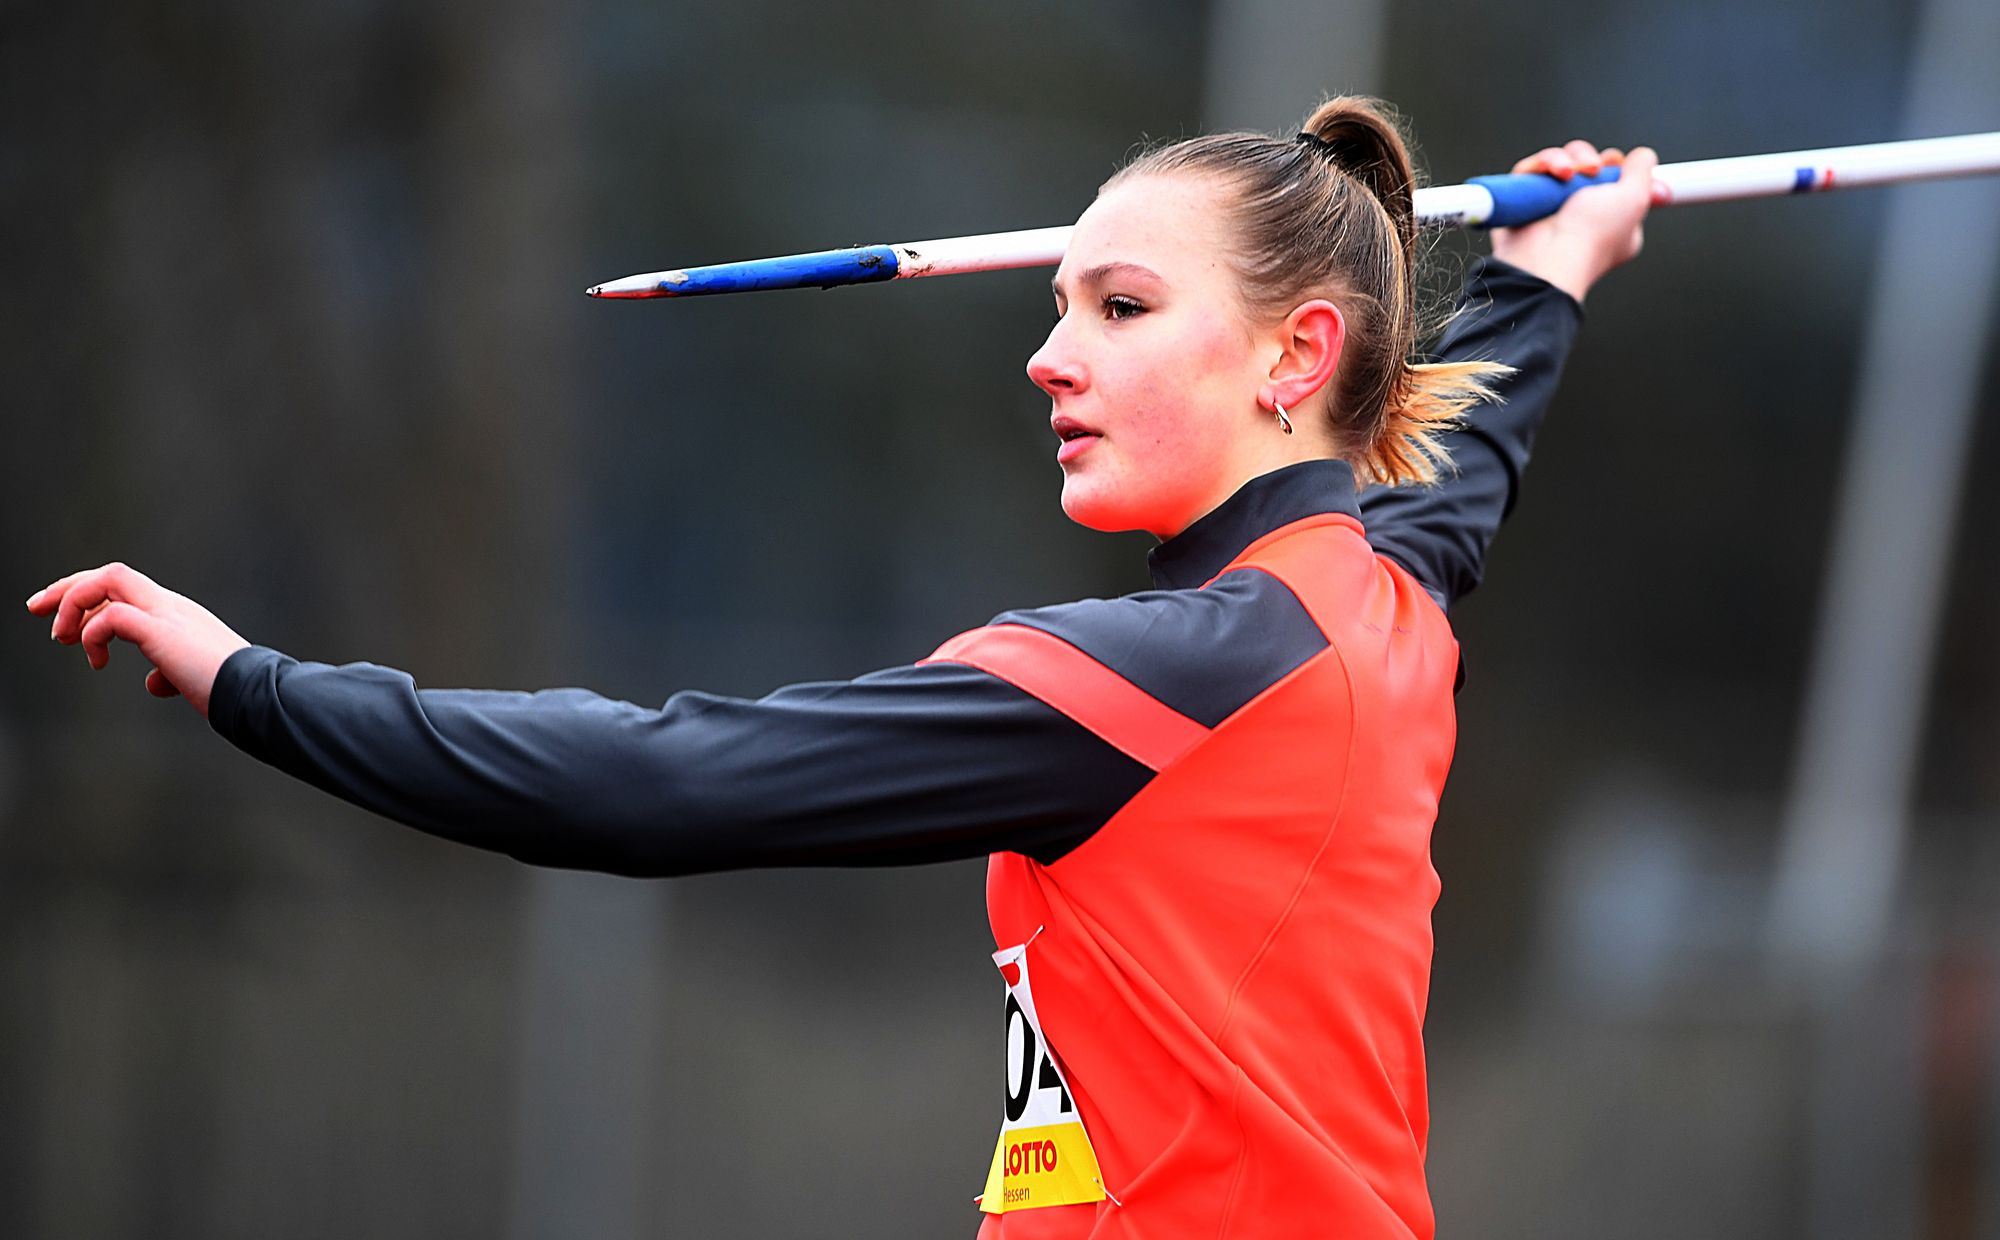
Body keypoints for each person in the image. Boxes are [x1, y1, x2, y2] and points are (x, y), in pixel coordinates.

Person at [27, 99, 1655, 1239]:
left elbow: (659, 779)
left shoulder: (1165, 676)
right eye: (1060, 303)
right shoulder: (1379, 614)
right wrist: (1548, 274)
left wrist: (256, 684)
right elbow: (1460, 477)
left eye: (1122, 306)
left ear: (1297, 356)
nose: (1051, 355)